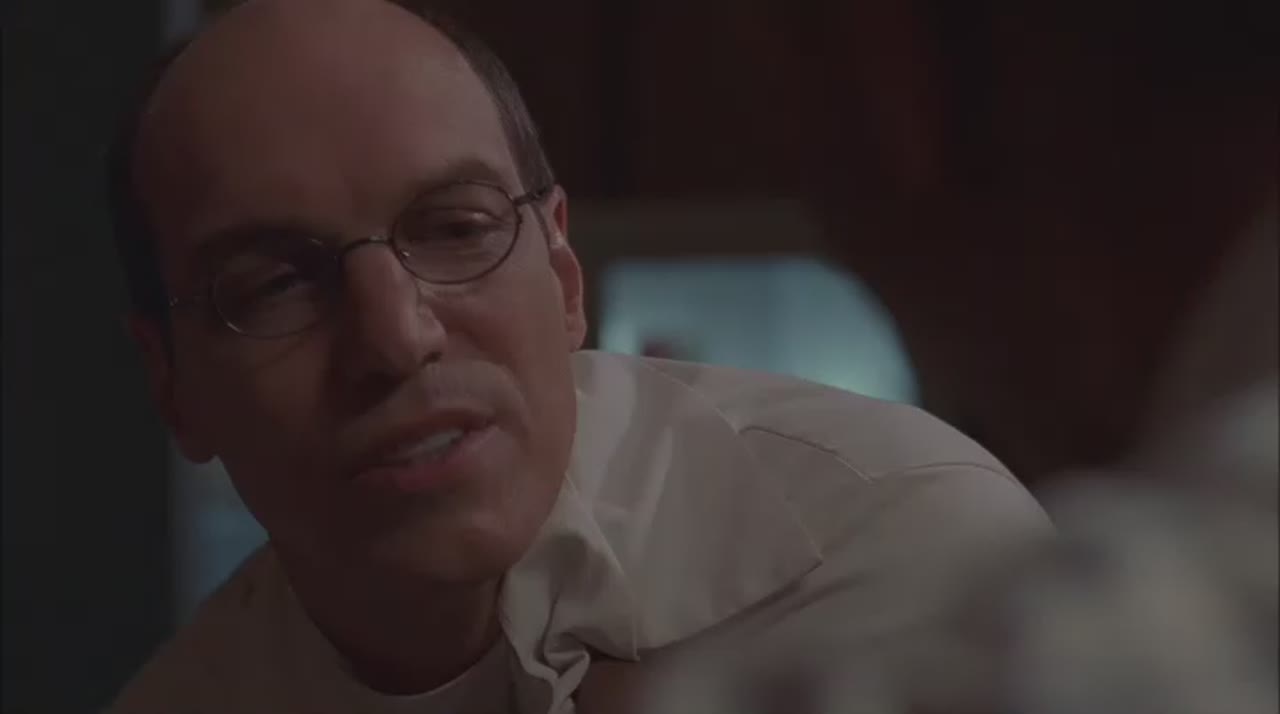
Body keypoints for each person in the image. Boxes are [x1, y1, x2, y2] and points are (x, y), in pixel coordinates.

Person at [105, 0, 1050, 711]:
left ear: (563, 275)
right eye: (274, 284)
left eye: (458, 228)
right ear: (172, 385)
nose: (396, 339)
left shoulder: (919, 566)